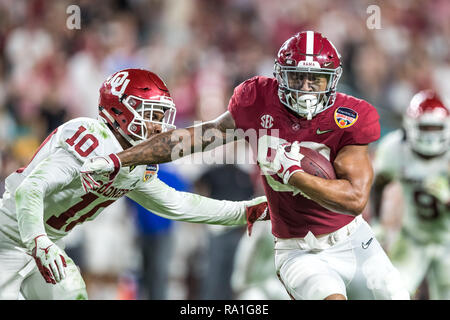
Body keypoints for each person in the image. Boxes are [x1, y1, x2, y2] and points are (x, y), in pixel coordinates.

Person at [80, 31, 410, 300]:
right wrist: (118, 159)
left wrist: (294, 176)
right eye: (299, 78)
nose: (307, 89)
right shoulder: (257, 100)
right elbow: (192, 139)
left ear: (333, 81)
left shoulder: (350, 116)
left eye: (316, 80)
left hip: (352, 238)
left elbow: (354, 199)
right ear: (281, 75)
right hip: (298, 249)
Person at [0, 68, 268, 300]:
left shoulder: (135, 164)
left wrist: (245, 211)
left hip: (48, 243)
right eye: (151, 114)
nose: (159, 126)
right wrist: (38, 240)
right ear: (120, 109)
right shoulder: (91, 136)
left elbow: (178, 203)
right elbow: (30, 188)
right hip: (10, 237)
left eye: (162, 116)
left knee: (72, 293)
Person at [372, 89, 450, 299]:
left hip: (448, 240)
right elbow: (378, 183)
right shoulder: (394, 148)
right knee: (390, 293)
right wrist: (378, 223)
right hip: (412, 238)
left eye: (436, 128)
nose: (430, 135)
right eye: (426, 127)